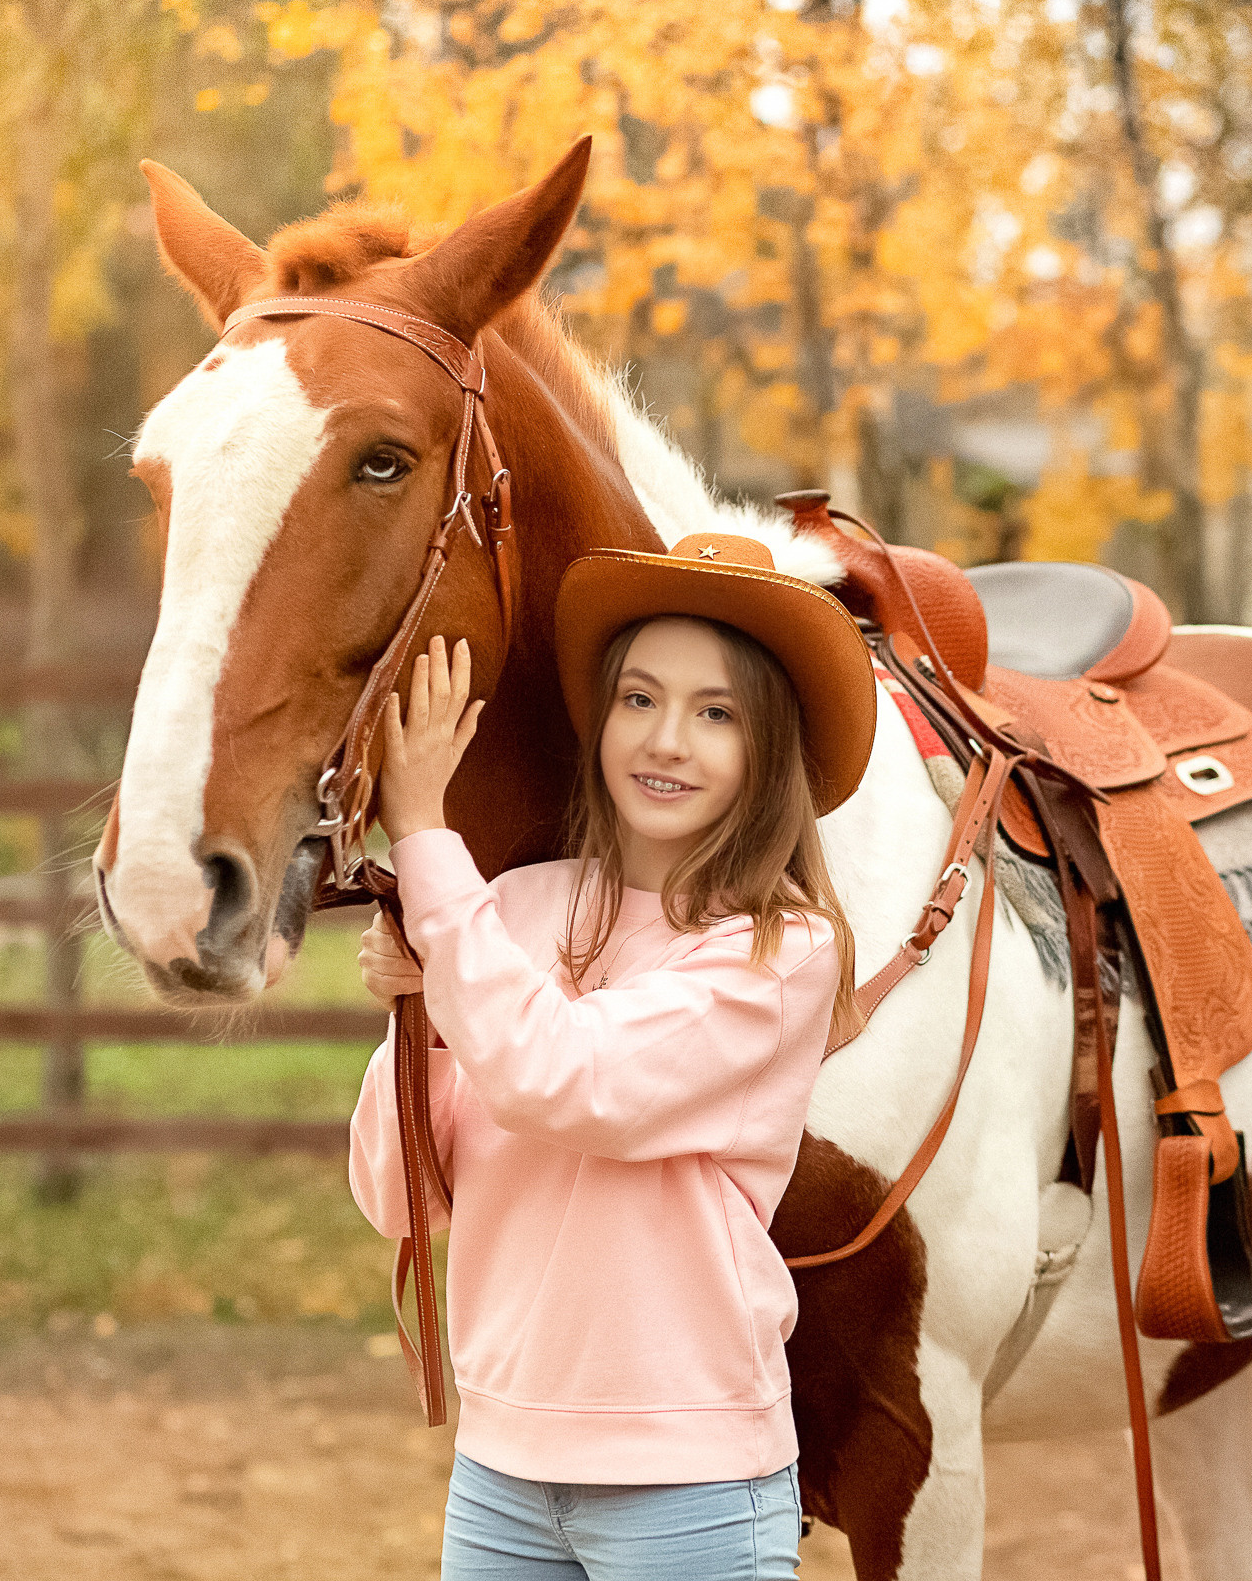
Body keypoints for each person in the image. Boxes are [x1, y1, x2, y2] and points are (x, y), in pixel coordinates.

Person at [347, 531, 878, 1581]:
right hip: (499, 1473)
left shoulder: (779, 955)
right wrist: (423, 1014)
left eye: (715, 712)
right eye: (639, 698)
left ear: (767, 751)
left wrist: (422, 836)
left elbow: (572, 1079)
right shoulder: (509, 911)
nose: (666, 739)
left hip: (688, 1488)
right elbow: (399, 1196)